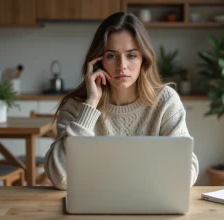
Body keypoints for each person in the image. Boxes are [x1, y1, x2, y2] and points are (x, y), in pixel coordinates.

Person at [45, 12, 199, 190]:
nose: (122, 65)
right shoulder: (76, 105)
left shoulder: (166, 101)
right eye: (111, 55)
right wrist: (91, 104)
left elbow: (186, 172)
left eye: (131, 55)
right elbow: (60, 178)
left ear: (144, 58)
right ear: (98, 61)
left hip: (150, 205)